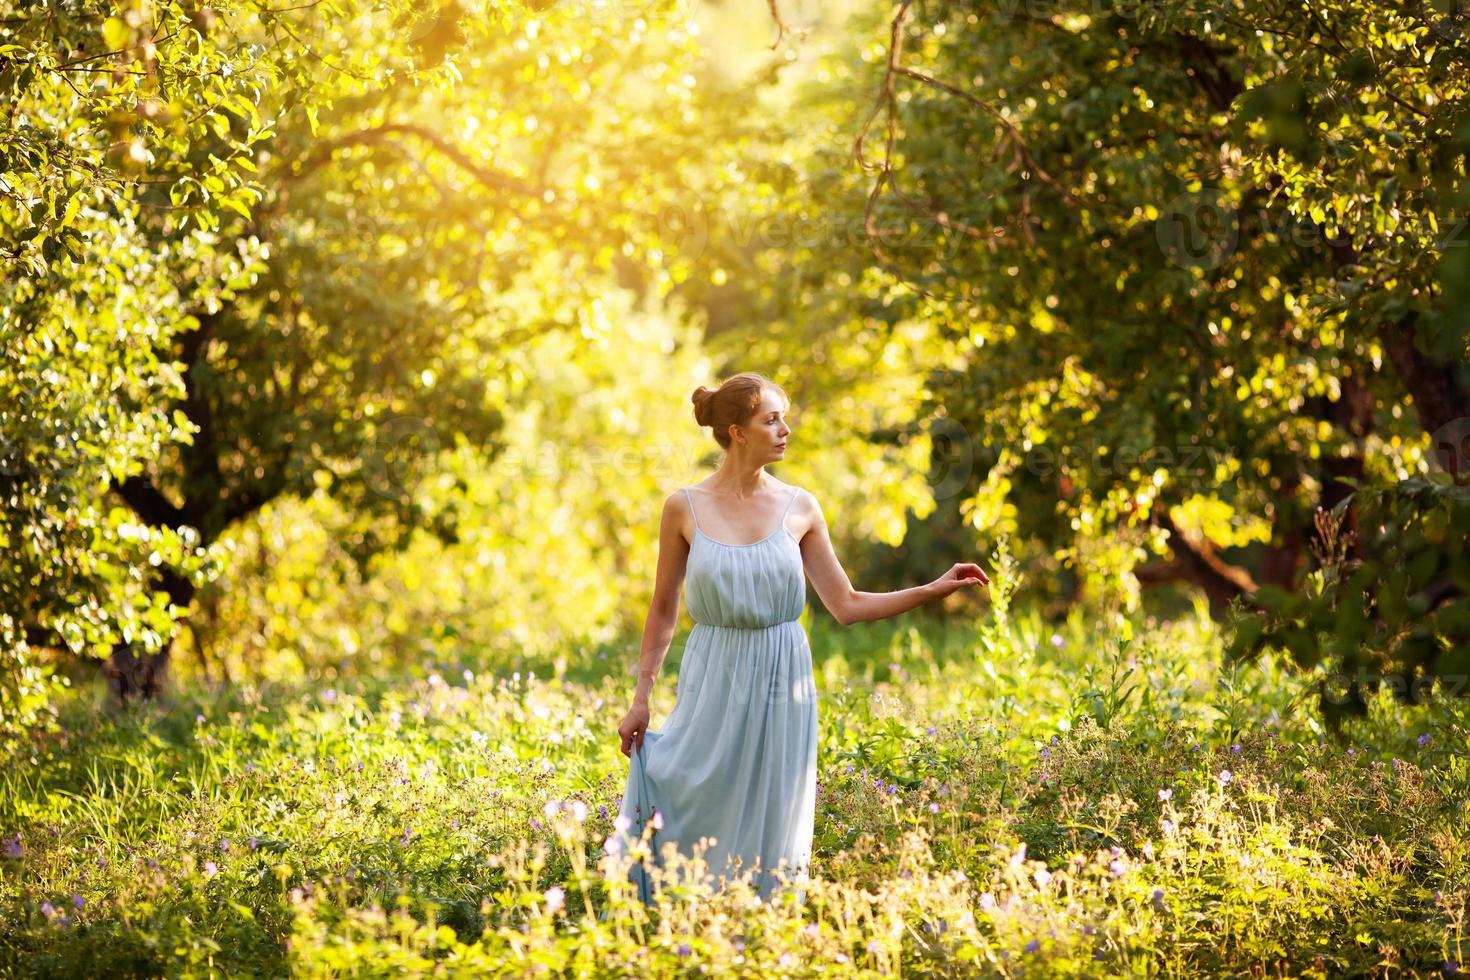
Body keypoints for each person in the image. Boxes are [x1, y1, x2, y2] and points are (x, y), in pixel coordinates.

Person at [609, 372, 989, 905]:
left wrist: (932, 589)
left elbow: (847, 604)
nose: (786, 429)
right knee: (692, 792)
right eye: (772, 419)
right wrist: (641, 696)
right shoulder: (684, 507)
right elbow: (664, 608)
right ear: (737, 432)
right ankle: (678, 923)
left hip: (782, 680)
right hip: (713, 675)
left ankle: (758, 940)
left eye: (784, 417)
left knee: (768, 819)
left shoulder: (800, 506)